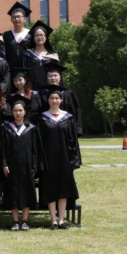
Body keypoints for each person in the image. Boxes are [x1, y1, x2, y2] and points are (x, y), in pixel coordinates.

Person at [38, 85, 81, 230]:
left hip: (64, 158)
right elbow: (39, 141)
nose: (54, 100)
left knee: (63, 188)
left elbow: (73, 141)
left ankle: (61, 220)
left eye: (57, 98)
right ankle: (53, 220)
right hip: (48, 159)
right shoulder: (42, 118)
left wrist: (74, 159)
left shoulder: (68, 118)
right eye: (51, 98)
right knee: (49, 188)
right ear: (48, 100)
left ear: (61, 100)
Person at [0, 94, 43, 232]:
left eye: (20, 110)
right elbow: (2, 149)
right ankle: (15, 221)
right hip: (11, 166)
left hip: (27, 166)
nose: (18, 113)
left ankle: (24, 221)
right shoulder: (6, 128)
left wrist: (34, 166)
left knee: (27, 191)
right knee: (12, 192)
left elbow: (36, 150)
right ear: (12, 112)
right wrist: (4, 164)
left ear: (25, 112)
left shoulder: (31, 128)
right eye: (15, 110)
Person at [40, 61, 83, 136]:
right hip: (47, 130)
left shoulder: (68, 93)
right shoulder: (41, 94)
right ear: (46, 77)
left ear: (60, 76)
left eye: (55, 75)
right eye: (50, 76)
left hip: (66, 129)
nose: (53, 78)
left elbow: (75, 111)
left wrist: (77, 128)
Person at [23, 20, 60, 91]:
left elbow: (58, 75)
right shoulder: (27, 54)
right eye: (36, 35)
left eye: (41, 35)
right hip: (32, 91)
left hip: (49, 91)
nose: (39, 37)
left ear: (46, 37)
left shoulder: (53, 56)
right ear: (33, 38)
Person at [2, 2, 33, 70]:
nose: (16, 19)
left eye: (19, 17)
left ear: (24, 19)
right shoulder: (6, 35)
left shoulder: (31, 34)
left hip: (28, 69)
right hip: (11, 70)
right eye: (14, 17)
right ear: (11, 20)